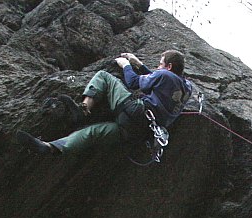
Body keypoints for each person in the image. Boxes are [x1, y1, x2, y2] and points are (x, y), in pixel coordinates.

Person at [16, 50, 193, 156]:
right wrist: (139, 64)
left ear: (169, 66)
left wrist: (126, 65)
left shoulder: (164, 75)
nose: (158, 67)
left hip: (135, 111)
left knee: (103, 76)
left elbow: (133, 82)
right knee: (93, 133)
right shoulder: (187, 89)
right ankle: (51, 147)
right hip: (140, 133)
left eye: (160, 64)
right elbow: (159, 81)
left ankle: (83, 109)